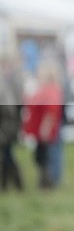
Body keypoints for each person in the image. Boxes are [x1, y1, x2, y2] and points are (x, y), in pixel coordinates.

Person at [22, 61, 64, 189]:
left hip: (45, 130)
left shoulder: (50, 90)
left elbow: (51, 111)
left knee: (46, 157)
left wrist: (45, 128)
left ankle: (49, 182)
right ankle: (46, 181)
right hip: (40, 130)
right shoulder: (43, 89)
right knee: (41, 156)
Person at [0, 56, 24, 191]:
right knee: (6, 154)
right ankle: (8, 184)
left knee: (7, 154)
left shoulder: (8, 82)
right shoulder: (7, 81)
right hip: (8, 124)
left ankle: (15, 183)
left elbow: (9, 109)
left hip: (7, 126)